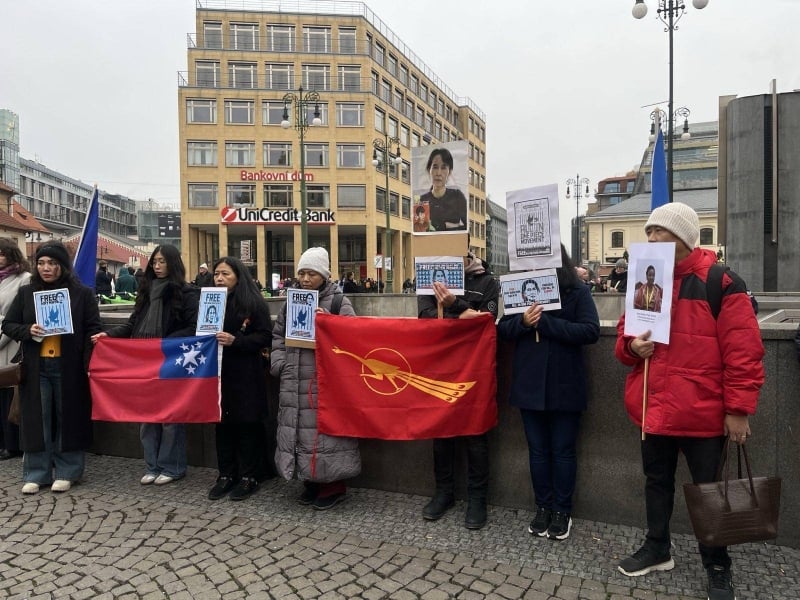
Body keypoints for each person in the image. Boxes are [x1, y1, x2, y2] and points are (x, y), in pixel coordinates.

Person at [615, 202, 764, 600]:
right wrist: (632, 348)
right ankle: (657, 548)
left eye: (658, 231)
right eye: (648, 231)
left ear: (682, 236)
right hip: (653, 407)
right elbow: (624, 341)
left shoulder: (722, 282)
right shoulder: (644, 280)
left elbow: (744, 352)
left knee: (710, 491)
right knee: (656, 482)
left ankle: (716, 564)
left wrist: (738, 410)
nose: (650, 238)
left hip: (702, 412)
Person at [498, 245, 600, 540]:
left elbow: (590, 331)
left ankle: (562, 511)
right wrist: (522, 322)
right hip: (529, 383)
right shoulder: (519, 289)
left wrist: (547, 323)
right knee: (538, 451)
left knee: (563, 451)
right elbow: (503, 330)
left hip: (565, 383)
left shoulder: (576, 291)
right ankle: (542, 507)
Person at [92, 244, 198, 486]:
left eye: (162, 261)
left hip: (171, 360)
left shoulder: (186, 292)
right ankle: (152, 465)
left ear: (173, 263)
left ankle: (172, 466)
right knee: (146, 417)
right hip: (144, 361)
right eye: (154, 262)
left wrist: (164, 343)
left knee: (171, 418)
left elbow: (193, 327)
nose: (157, 266)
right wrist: (109, 335)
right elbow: (133, 323)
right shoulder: (146, 289)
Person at [2, 242, 102, 494]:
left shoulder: (81, 294)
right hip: (36, 366)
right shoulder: (27, 292)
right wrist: (28, 330)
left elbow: (93, 329)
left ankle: (68, 471)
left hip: (69, 366)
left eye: (52, 263)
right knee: (38, 419)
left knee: (69, 417)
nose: (46, 268)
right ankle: (37, 473)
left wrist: (88, 363)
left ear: (63, 266)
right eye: (41, 263)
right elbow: (9, 325)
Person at [271, 247, 360, 510]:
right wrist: (280, 364)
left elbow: (354, 335)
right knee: (299, 430)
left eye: (311, 273)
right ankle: (309, 479)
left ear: (324, 275)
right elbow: (278, 336)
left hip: (324, 380)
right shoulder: (291, 301)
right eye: (302, 273)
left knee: (326, 433)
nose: (305, 279)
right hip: (294, 377)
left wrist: (329, 322)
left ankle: (333, 485)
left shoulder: (338, 301)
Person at [418, 251, 499, 529]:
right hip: (440, 366)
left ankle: (477, 498)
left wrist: (454, 304)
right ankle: (444, 492)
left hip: (475, 368)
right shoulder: (428, 279)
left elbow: (487, 320)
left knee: (476, 434)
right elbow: (425, 316)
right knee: (441, 432)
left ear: (467, 253)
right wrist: (461, 313)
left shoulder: (487, 281)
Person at [207, 257, 272, 502]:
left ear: (238, 276)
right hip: (218, 371)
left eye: (225, 274)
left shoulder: (253, 302)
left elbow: (265, 336)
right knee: (222, 424)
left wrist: (238, 341)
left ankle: (249, 476)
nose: (219, 278)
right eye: (216, 274)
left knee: (247, 424)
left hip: (245, 371)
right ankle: (226, 474)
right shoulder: (210, 300)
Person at [0, 239, 32, 461]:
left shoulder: (24, 279)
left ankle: (12, 444)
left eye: (2, 254)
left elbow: (20, 314)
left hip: (11, 342)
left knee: (10, 394)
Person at [419, 148, 467, 232]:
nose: (438, 173)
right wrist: (452, 226)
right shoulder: (422, 200)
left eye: (443, 168)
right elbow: (419, 229)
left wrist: (444, 225)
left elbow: (466, 227)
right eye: (435, 167)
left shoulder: (457, 197)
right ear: (429, 170)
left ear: (450, 172)